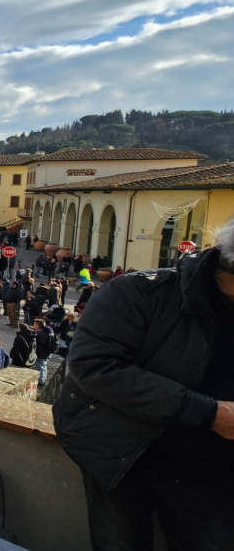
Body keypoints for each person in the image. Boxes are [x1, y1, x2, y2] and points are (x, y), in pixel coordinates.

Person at [53, 217, 234, 550]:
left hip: (214, 474)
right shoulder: (138, 291)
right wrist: (211, 413)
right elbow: (94, 366)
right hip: (123, 457)